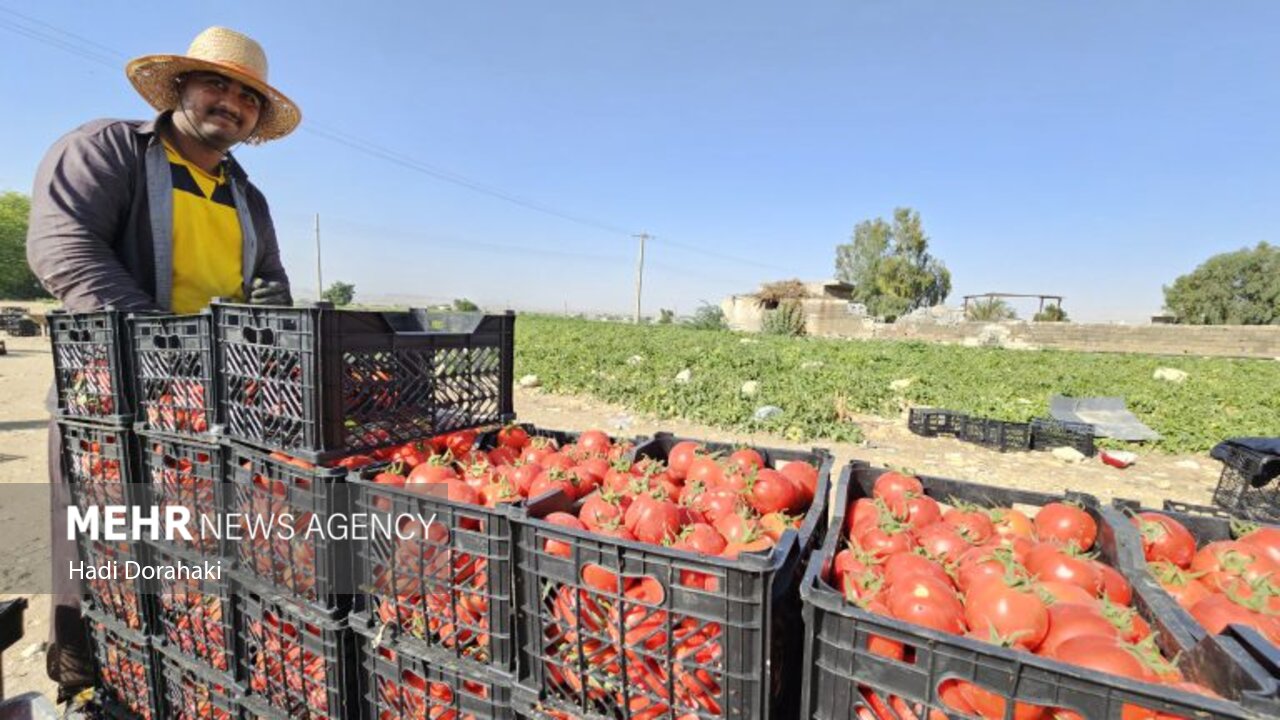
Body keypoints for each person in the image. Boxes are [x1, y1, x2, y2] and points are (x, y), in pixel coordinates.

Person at [24, 26, 300, 705]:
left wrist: (270, 342)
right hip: (115, 402)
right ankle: (84, 682)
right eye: (216, 83)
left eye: (248, 96)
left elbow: (269, 284)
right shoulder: (108, 149)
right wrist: (165, 354)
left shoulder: (247, 196)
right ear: (179, 87)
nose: (231, 102)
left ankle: (174, 678)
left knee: (190, 556)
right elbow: (65, 249)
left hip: (213, 407)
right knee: (99, 547)